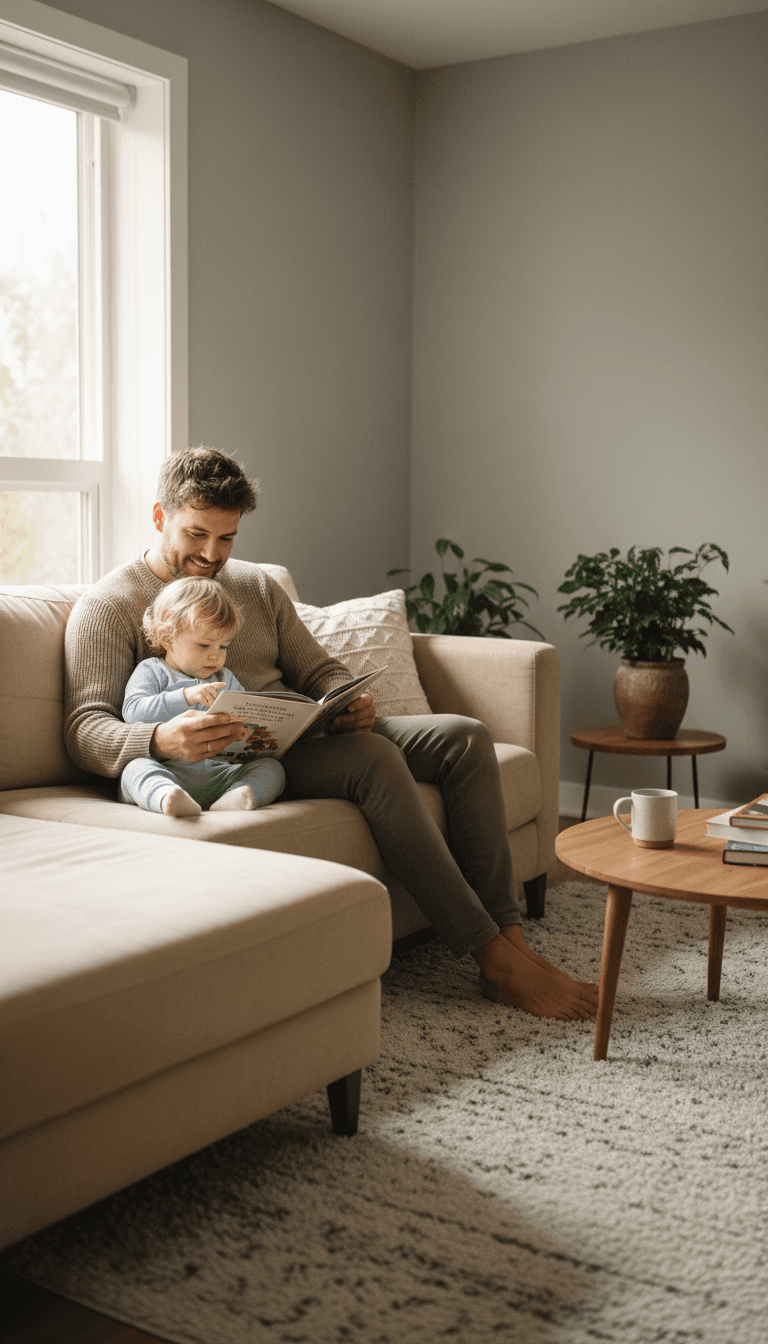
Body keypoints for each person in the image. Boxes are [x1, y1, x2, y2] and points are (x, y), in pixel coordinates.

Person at [65, 446, 599, 1022]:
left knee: (465, 737)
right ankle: (491, 955)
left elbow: (321, 671)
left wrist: (349, 701)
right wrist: (161, 742)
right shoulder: (109, 606)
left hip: (305, 728)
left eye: (227, 539)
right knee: (371, 759)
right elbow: (85, 729)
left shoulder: (256, 587)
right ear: (157, 516)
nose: (212, 554)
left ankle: (511, 935)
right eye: (197, 534)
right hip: (236, 760)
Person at [120, 577, 286, 817]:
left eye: (223, 646)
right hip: (168, 770)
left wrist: (252, 732)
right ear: (168, 638)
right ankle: (167, 797)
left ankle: (239, 795)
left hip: (220, 776)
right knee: (134, 769)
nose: (215, 657)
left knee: (272, 768)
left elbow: (245, 715)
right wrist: (184, 696)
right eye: (204, 645)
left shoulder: (225, 678)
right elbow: (133, 713)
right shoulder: (152, 670)